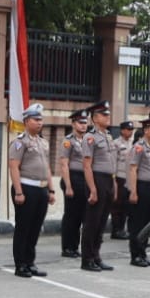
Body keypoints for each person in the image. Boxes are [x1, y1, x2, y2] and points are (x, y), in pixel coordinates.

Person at [8, 104, 54, 277]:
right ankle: (20, 264)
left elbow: (47, 168)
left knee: (35, 227)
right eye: (36, 119)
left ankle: (30, 261)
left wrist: (51, 190)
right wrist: (18, 192)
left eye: (41, 119)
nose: (39, 122)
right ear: (27, 121)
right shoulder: (20, 142)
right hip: (26, 188)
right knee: (24, 227)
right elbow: (14, 167)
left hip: (41, 189)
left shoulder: (43, 142)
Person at [79, 102, 117, 271]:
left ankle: (96, 256)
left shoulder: (108, 136)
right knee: (92, 222)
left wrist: (114, 184)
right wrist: (92, 188)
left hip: (108, 180)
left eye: (108, 114)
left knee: (101, 222)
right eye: (104, 114)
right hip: (97, 179)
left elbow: (112, 163)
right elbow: (87, 165)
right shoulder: (90, 137)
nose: (108, 117)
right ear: (94, 118)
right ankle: (87, 259)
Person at [126, 112, 150, 267]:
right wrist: (133, 191)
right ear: (146, 130)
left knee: (148, 222)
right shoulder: (139, 147)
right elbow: (132, 169)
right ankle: (135, 255)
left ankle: (143, 253)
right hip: (141, 187)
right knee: (138, 223)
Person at [58, 108, 89, 259]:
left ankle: (75, 246)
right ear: (73, 124)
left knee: (82, 215)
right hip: (73, 178)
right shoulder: (68, 141)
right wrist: (68, 186)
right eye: (80, 122)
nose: (83, 125)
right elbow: (64, 164)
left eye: (85, 122)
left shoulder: (88, 140)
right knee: (71, 215)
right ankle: (67, 247)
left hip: (85, 179)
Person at [109, 120, 135, 239]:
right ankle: (116, 230)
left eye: (131, 130)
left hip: (129, 178)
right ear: (122, 130)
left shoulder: (133, 144)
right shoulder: (116, 144)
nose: (130, 132)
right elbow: (113, 161)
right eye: (128, 129)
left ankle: (122, 229)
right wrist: (113, 178)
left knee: (126, 205)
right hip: (119, 177)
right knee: (117, 205)